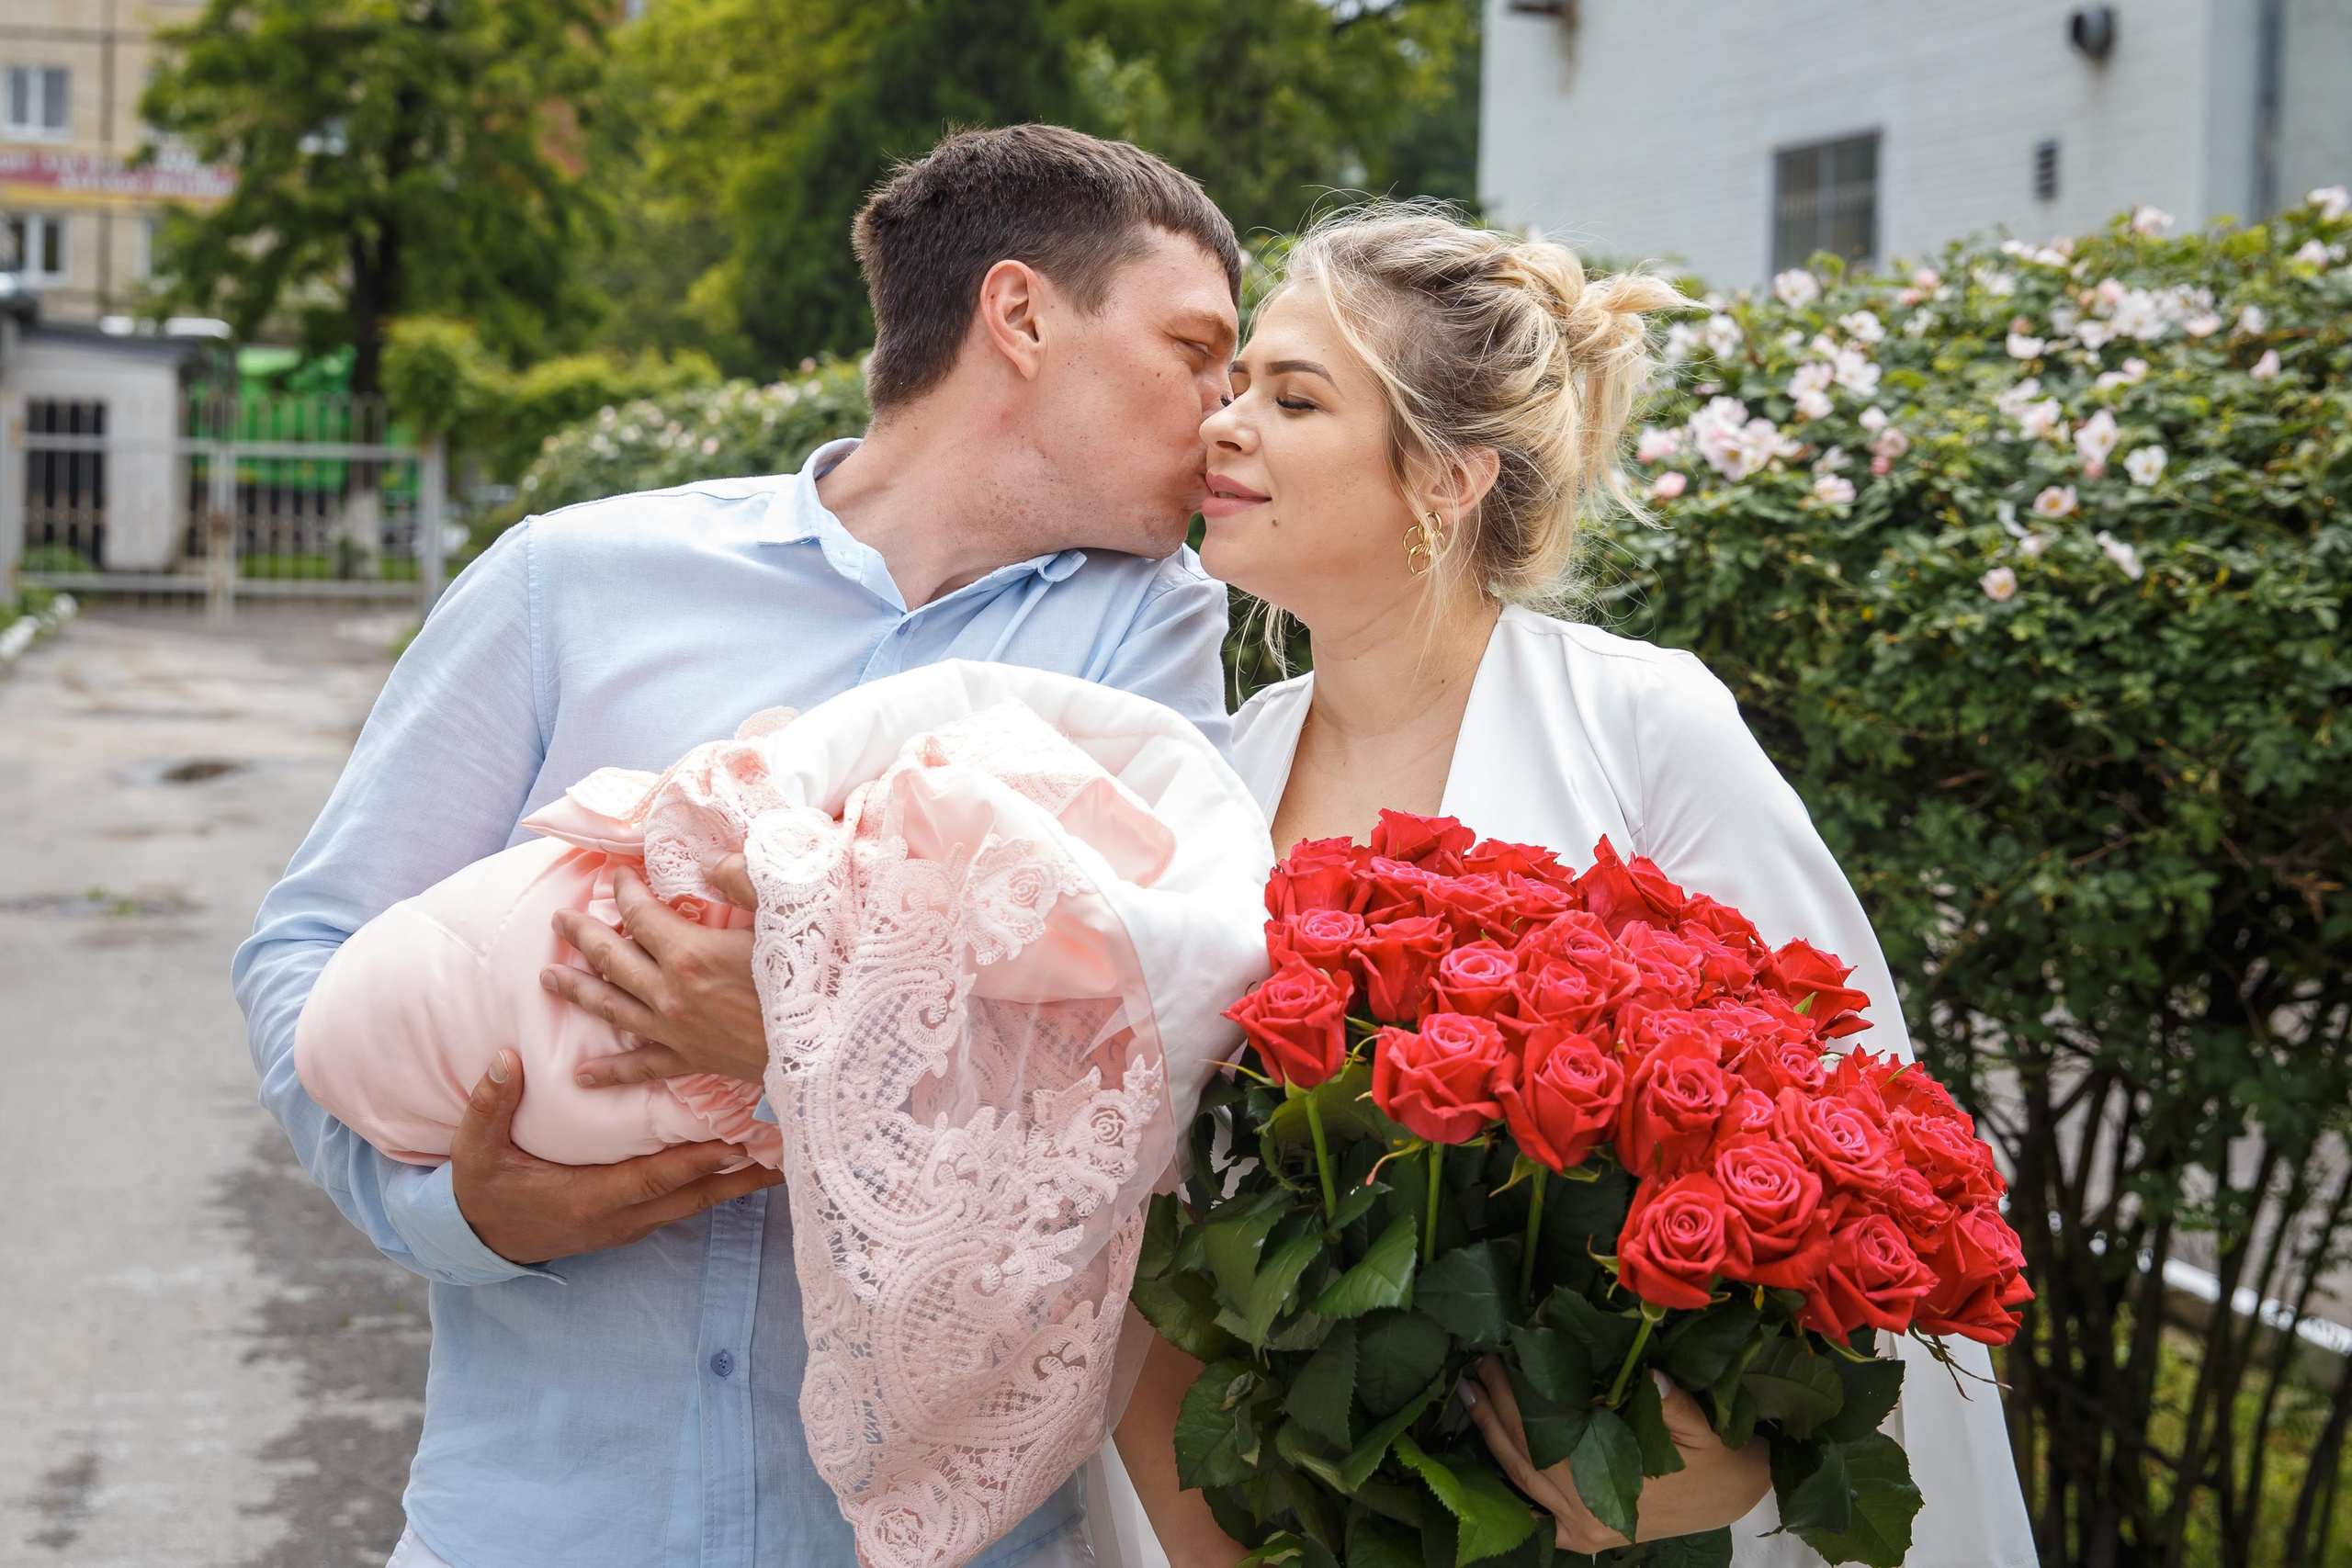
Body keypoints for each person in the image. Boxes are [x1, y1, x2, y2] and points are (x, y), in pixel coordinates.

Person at [233, 124, 1247, 1568]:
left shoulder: (1146, 640)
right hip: (543, 1526)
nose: (1225, 413)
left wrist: (809, 1035)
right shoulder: (567, 583)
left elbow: (1153, 1037)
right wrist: (454, 1209)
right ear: (1020, 317)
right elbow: (308, 951)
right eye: (1198, 349)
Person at [1104, 206, 2037, 1566]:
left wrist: (1732, 1471)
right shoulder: (1212, 778)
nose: (1223, 424)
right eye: (1235, 383)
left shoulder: (1646, 726)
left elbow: (1853, 1131)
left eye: (1291, 397)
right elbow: (1149, 1213)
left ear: (1446, 476)